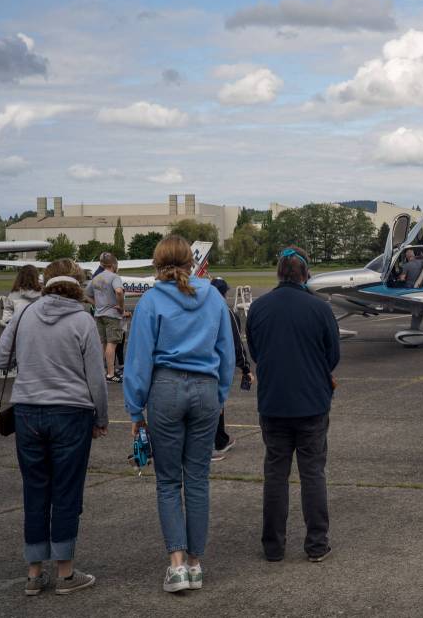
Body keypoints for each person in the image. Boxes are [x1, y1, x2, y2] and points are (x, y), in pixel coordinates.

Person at [123, 236, 234, 593]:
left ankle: (177, 565)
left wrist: (134, 407)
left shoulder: (151, 301)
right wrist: (219, 395)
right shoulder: (213, 297)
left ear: (158, 263)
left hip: (166, 388)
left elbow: (138, 358)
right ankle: (197, 563)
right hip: (205, 388)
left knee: (169, 481)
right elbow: (226, 351)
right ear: (191, 261)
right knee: (198, 479)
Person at [0, 258, 108, 596]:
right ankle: (66, 573)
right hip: (71, 414)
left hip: (28, 411)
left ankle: (33, 572)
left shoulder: (26, 315)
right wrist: (100, 419)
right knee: (67, 491)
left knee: (35, 489)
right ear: (77, 283)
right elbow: (96, 379)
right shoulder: (82, 321)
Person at [246, 246, 340, 563]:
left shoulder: (258, 308)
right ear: (305, 273)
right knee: (313, 473)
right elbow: (333, 356)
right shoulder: (320, 308)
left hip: (273, 403)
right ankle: (316, 544)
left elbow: (256, 352)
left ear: (278, 272)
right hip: (312, 402)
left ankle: (273, 546)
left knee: (275, 474)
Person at [209, 277, 255, 462]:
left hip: (198, 365)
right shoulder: (226, 312)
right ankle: (217, 441)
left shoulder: (199, 309)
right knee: (216, 404)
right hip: (218, 365)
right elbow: (236, 343)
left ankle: (220, 439)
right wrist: (245, 368)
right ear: (224, 293)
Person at [85, 252, 124, 383]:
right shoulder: (114, 277)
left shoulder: (95, 278)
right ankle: (111, 373)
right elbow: (119, 291)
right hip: (112, 315)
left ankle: (101, 372)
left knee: (103, 344)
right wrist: (120, 306)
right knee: (112, 344)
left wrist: (97, 304)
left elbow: (86, 295)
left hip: (99, 315)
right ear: (113, 265)